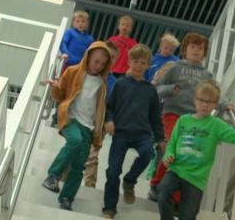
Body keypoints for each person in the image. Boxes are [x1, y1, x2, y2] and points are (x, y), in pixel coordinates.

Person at [148, 32, 232, 204]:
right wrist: (171, 89)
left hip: (194, 118)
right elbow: (157, 89)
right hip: (172, 114)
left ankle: (176, 198)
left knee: (187, 155)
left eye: (200, 48)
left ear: (204, 53)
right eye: (192, 46)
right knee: (173, 149)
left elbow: (213, 94)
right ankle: (156, 185)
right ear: (185, 49)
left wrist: (224, 105)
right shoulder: (174, 67)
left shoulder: (206, 75)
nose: (196, 50)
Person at [157, 79, 235, 220]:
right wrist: (169, 154)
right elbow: (172, 143)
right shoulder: (183, 120)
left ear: (215, 104)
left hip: (196, 178)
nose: (205, 105)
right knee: (163, 192)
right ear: (194, 100)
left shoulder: (216, 124)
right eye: (201, 100)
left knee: (188, 215)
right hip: (176, 169)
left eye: (210, 102)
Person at [42, 41, 113, 211]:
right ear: (88, 57)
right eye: (96, 61)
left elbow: (101, 109)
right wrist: (55, 87)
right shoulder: (73, 71)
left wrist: (98, 132)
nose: (99, 66)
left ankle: (66, 198)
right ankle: (52, 175)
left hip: (88, 127)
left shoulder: (102, 85)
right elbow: (60, 93)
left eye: (103, 64)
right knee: (74, 141)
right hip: (71, 119)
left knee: (79, 166)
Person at [102, 44, 165, 219]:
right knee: (113, 172)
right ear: (129, 62)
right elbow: (109, 107)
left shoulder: (150, 90)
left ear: (148, 66)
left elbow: (155, 118)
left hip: (142, 135)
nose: (138, 65)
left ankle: (130, 181)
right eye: (135, 61)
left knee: (147, 155)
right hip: (120, 134)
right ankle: (109, 209)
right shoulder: (120, 84)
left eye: (143, 62)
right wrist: (109, 120)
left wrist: (161, 139)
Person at [83, 40, 119, 188]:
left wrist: (109, 120)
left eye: (113, 57)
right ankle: (64, 179)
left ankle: (90, 185)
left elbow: (112, 104)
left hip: (100, 123)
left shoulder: (114, 82)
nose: (108, 60)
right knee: (76, 150)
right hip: (82, 119)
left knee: (92, 155)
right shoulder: (85, 74)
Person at [51, 10, 94, 127]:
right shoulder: (70, 33)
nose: (80, 24)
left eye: (83, 21)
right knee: (62, 90)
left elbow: (90, 53)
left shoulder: (90, 39)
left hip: (80, 69)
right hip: (68, 64)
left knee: (73, 93)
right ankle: (56, 118)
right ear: (74, 22)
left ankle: (65, 118)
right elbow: (63, 43)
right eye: (78, 21)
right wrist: (65, 53)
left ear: (87, 24)